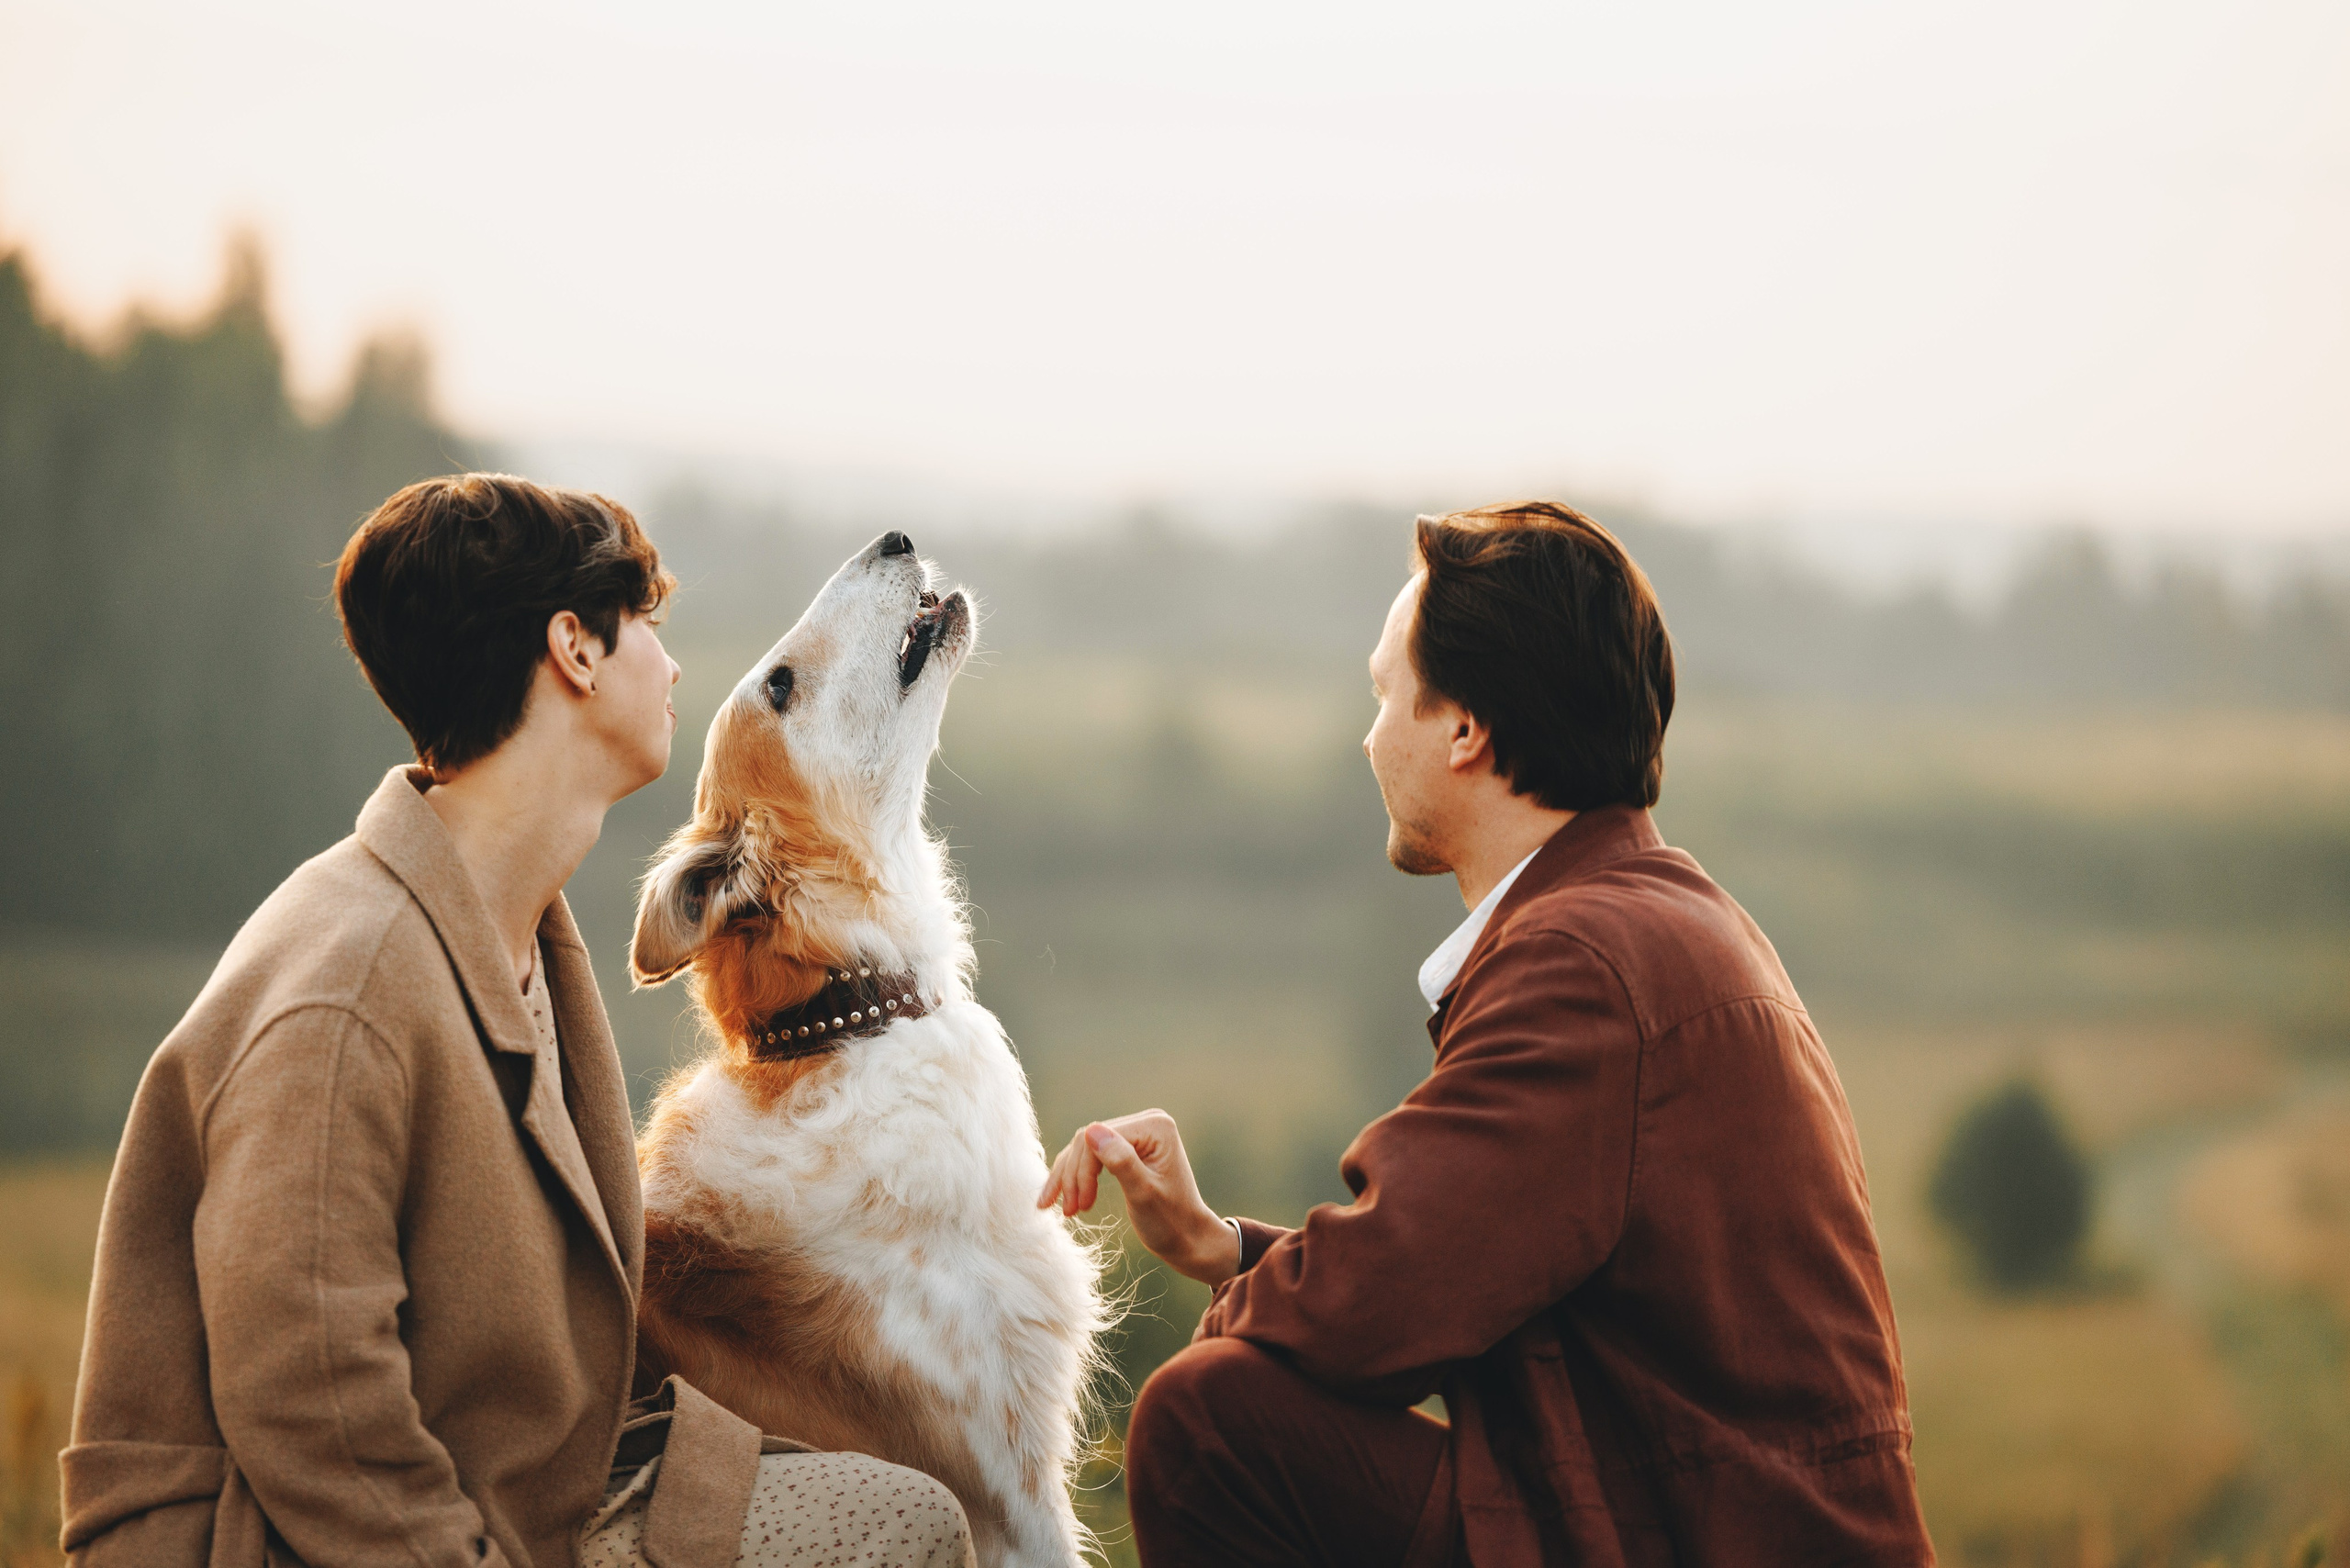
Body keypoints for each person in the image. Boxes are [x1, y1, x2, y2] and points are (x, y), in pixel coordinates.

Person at [61, 474, 972, 1568]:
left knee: (903, 1505)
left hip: (530, 1486)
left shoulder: (511, 921)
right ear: (574, 651)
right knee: (899, 1535)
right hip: (284, 1541)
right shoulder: (344, 989)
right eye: (644, 624)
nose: (672, 665)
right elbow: (306, 1403)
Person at [1040, 502, 1934, 1567]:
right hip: (1689, 1520)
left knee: (1211, 1422)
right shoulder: (1659, 920)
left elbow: (1378, 1302)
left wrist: (1253, 1309)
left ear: (1464, 730)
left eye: (1383, 694)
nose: (1367, 734)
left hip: (1690, 1538)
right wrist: (1224, 1250)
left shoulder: (1585, 962)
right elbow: (1447, 1269)